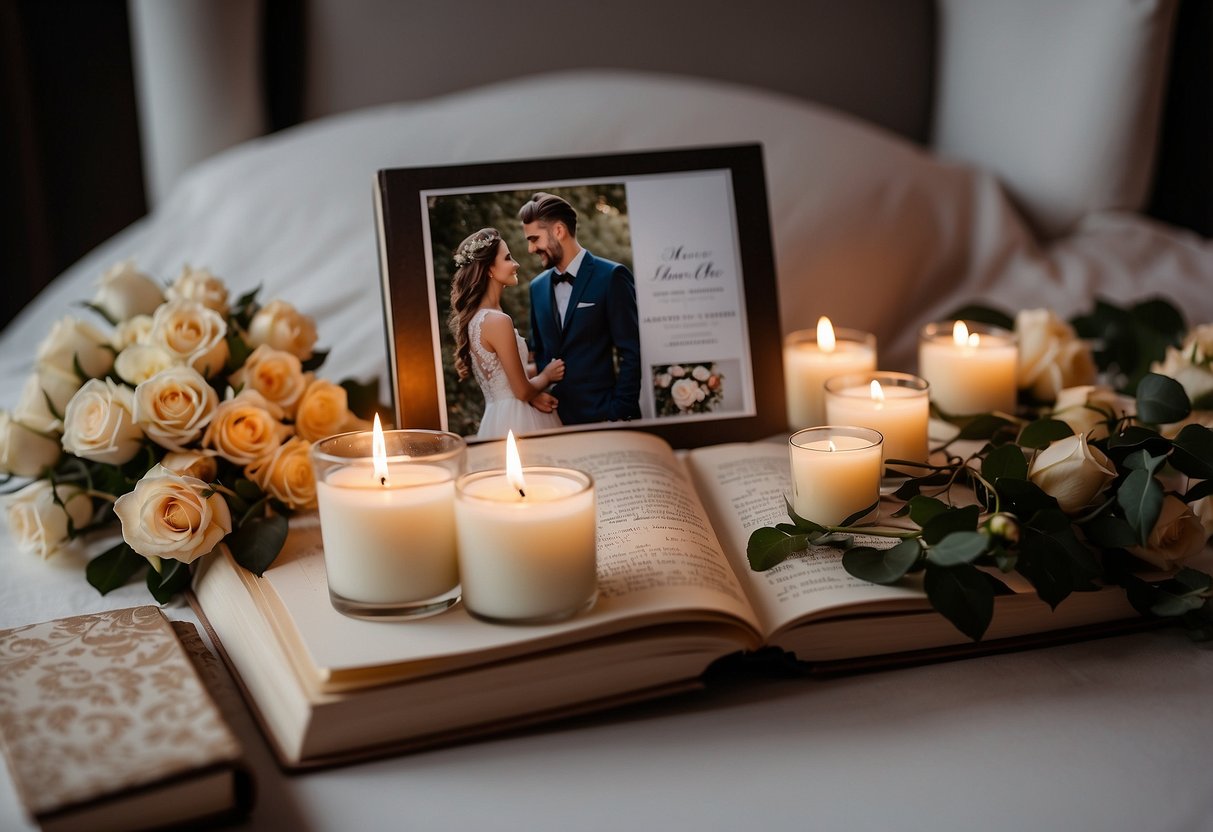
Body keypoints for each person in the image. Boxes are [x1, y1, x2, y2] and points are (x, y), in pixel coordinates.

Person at [519, 192, 641, 425]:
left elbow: (630, 352)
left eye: (534, 239)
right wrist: (536, 394)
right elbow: (541, 352)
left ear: (558, 231)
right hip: (554, 418)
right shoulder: (536, 287)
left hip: (606, 416)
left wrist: (619, 410)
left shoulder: (612, 276)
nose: (531, 249)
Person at [448, 228, 565, 440]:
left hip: (496, 419)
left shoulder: (477, 319)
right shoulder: (498, 321)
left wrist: (534, 391)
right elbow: (521, 391)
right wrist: (546, 375)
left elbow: (503, 377)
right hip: (518, 421)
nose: (516, 264)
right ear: (489, 269)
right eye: (508, 258)